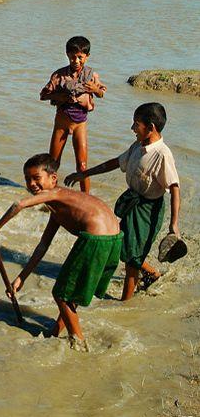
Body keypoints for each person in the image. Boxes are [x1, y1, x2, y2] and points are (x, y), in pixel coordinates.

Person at [0, 154, 122, 349]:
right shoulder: (58, 209)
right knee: (70, 293)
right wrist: (21, 278)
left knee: (61, 293)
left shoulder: (56, 193)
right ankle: (57, 331)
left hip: (97, 237)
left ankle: (78, 341)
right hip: (114, 239)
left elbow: (19, 204)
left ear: (53, 179)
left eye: (36, 178)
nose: (31, 184)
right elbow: (42, 246)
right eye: (27, 179)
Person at [64, 102, 181, 301]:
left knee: (132, 262)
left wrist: (174, 225)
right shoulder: (138, 145)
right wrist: (84, 174)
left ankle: (125, 306)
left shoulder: (162, 154)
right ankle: (153, 274)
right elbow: (115, 163)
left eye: (136, 124)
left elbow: (175, 188)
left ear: (150, 127)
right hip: (132, 203)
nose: (132, 129)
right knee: (120, 246)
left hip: (147, 210)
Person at [41, 36, 107, 193]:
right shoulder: (59, 76)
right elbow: (43, 95)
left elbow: (101, 93)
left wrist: (94, 90)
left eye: (80, 57)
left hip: (80, 125)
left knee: (82, 166)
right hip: (61, 124)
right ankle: (51, 198)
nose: (76, 61)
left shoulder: (92, 75)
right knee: (53, 164)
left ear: (87, 57)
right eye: (72, 57)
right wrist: (59, 96)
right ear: (67, 55)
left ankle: (86, 199)